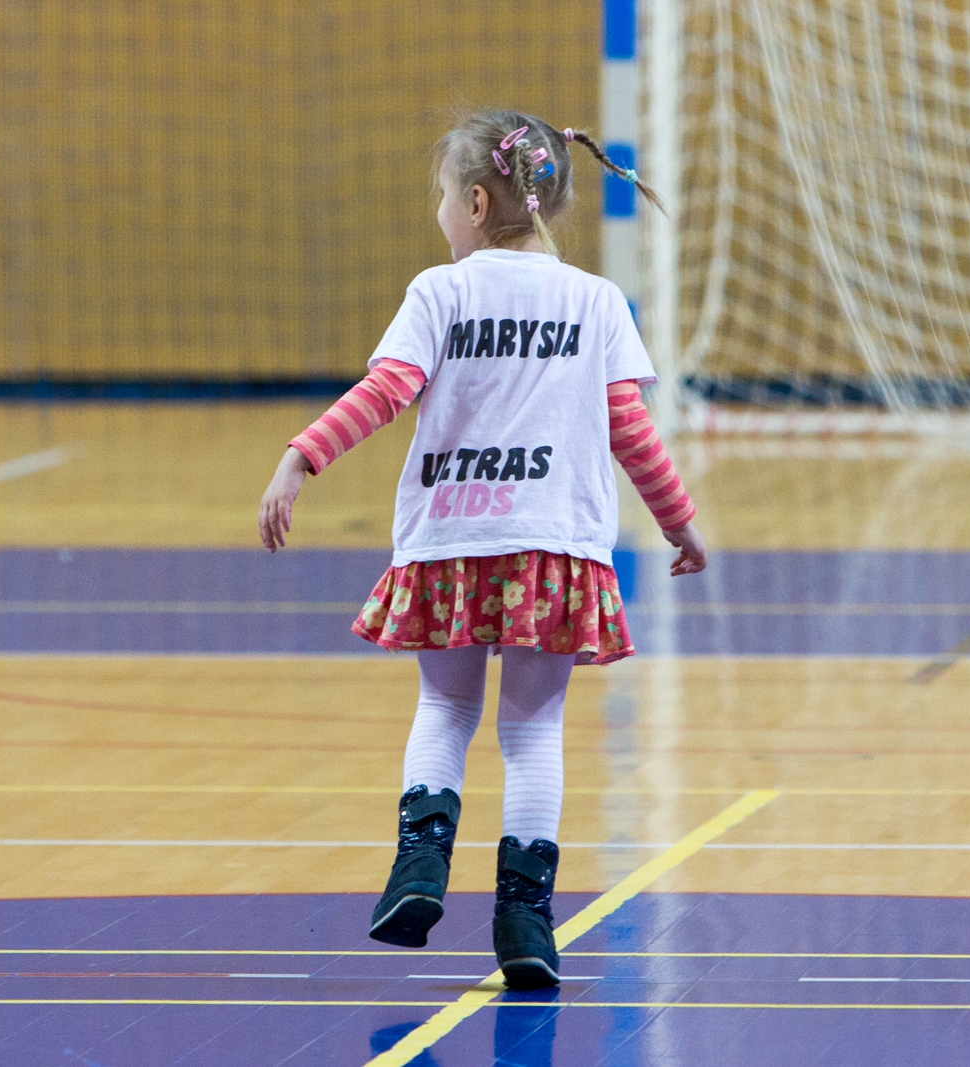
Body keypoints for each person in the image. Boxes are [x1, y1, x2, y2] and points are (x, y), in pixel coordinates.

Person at [258, 108, 705, 990]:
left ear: (472, 201)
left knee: (446, 712)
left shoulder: (440, 292)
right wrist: (679, 520)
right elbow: (632, 433)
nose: (438, 216)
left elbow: (385, 393)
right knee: (534, 730)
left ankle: (418, 870)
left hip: (453, 541)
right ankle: (525, 918)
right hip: (554, 546)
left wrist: (300, 455)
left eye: (440, 199)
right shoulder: (596, 301)